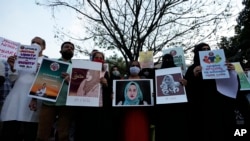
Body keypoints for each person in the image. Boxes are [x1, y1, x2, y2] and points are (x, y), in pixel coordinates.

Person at [184, 42, 240, 141]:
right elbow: (189, 88)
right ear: (197, 52)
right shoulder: (192, 69)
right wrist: (194, 75)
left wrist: (232, 71)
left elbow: (233, 84)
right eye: (203, 49)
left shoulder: (221, 64)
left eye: (208, 49)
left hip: (219, 103)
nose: (206, 51)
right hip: (202, 106)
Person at [0, 36, 46, 141]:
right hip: (16, 96)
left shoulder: (46, 60)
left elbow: (46, 81)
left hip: (33, 97)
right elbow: (13, 78)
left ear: (43, 47)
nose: (35, 44)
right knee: (10, 128)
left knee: (30, 129)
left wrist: (41, 71)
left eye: (38, 43)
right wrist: (12, 66)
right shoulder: (21, 57)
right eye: (33, 42)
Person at [29, 41, 75, 141]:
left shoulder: (77, 68)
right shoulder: (50, 62)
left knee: (63, 134)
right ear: (61, 50)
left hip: (66, 104)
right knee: (42, 132)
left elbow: (79, 88)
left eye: (71, 48)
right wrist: (34, 99)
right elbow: (40, 80)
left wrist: (70, 81)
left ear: (73, 52)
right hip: (48, 103)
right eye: (66, 47)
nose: (69, 48)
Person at [74, 51, 113, 141]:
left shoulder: (105, 73)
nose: (99, 59)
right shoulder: (84, 72)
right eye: (96, 57)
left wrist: (106, 84)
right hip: (85, 107)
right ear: (92, 59)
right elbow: (78, 93)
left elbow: (110, 90)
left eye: (101, 58)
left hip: (99, 107)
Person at [154, 53, 188, 141]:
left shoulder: (179, 74)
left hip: (178, 108)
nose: (168, 62)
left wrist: (185, 83)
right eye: (165, 60)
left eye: (170, 59)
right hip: (162, 109)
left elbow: (186, 89)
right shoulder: (157, 75)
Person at [116, 60, 151, 141]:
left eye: (137, 66)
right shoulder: (123, 79)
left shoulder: (144, 79)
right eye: (132, 65)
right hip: (126, 114)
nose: (134, 67)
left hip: (141, 114)